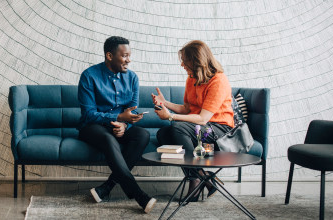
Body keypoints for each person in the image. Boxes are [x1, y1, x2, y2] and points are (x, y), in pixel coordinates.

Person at [78, 36, 157, 213]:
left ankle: (106, 187)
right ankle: (138, 195)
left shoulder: (132, 78)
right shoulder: (89, 76)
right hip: (92, 127)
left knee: (142, 135)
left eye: (129, 55)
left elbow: (133, 110)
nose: (129, 60)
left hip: (119, 124)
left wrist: (125, 125)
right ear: (109, 55)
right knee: (108, 139)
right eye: (124, 56)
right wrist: (119, 117)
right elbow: (89, 114)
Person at [153, 40, 234, 201]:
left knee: (176, 128)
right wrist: (165, 103)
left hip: (220, 129)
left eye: (185, 60)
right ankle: (203, 176)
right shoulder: (192, 78)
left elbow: (203, 119)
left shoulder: (218, 80)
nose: (182, 64)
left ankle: (195, 181)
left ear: (197, 61)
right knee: (163, 134)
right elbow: (187, 109)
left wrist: (169, 116)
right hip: (198, 126)